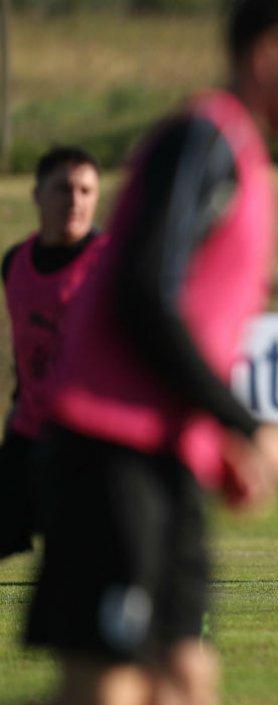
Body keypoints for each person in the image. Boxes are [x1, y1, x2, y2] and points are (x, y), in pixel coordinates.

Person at [23, 2, 278, 704]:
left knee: (184, 681)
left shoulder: (240, 154)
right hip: (110, 447)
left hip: (168, 454)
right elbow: (142, 293)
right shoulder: (203, 138)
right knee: (106, 690)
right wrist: (249, 423)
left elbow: (190, 317)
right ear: (268, 57)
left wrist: (213, 434)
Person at [0, 146, 105, 560]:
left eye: (85, 190)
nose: (75, 201)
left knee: (85, 556)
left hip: (89, 439)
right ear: (37, 194)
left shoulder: (110, 263)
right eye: (63, 188)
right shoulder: (14, 263)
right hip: (28, 430)